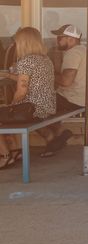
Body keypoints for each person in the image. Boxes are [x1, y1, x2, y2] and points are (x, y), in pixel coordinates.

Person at [0, 27, 56, 169]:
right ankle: (16, 151)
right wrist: (7, 75)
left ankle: (5, 155)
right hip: (47, 106)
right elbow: (26, 79)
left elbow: (21, 91)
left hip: (32, 109)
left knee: (5, 111)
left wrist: (11, 106)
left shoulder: (25, 61)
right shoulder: (45, 59)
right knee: (6, 113)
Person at [44, 24, 88, 156]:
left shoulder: (73, 53)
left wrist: (46, 74)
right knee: (45, 102)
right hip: (85, 98)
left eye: (60, 38)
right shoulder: (85, 51)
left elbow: (66, 81)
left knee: (33, 105)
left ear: (71, 39)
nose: (57, 40)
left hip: (72, 99)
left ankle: (55, 136)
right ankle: (56, 140)